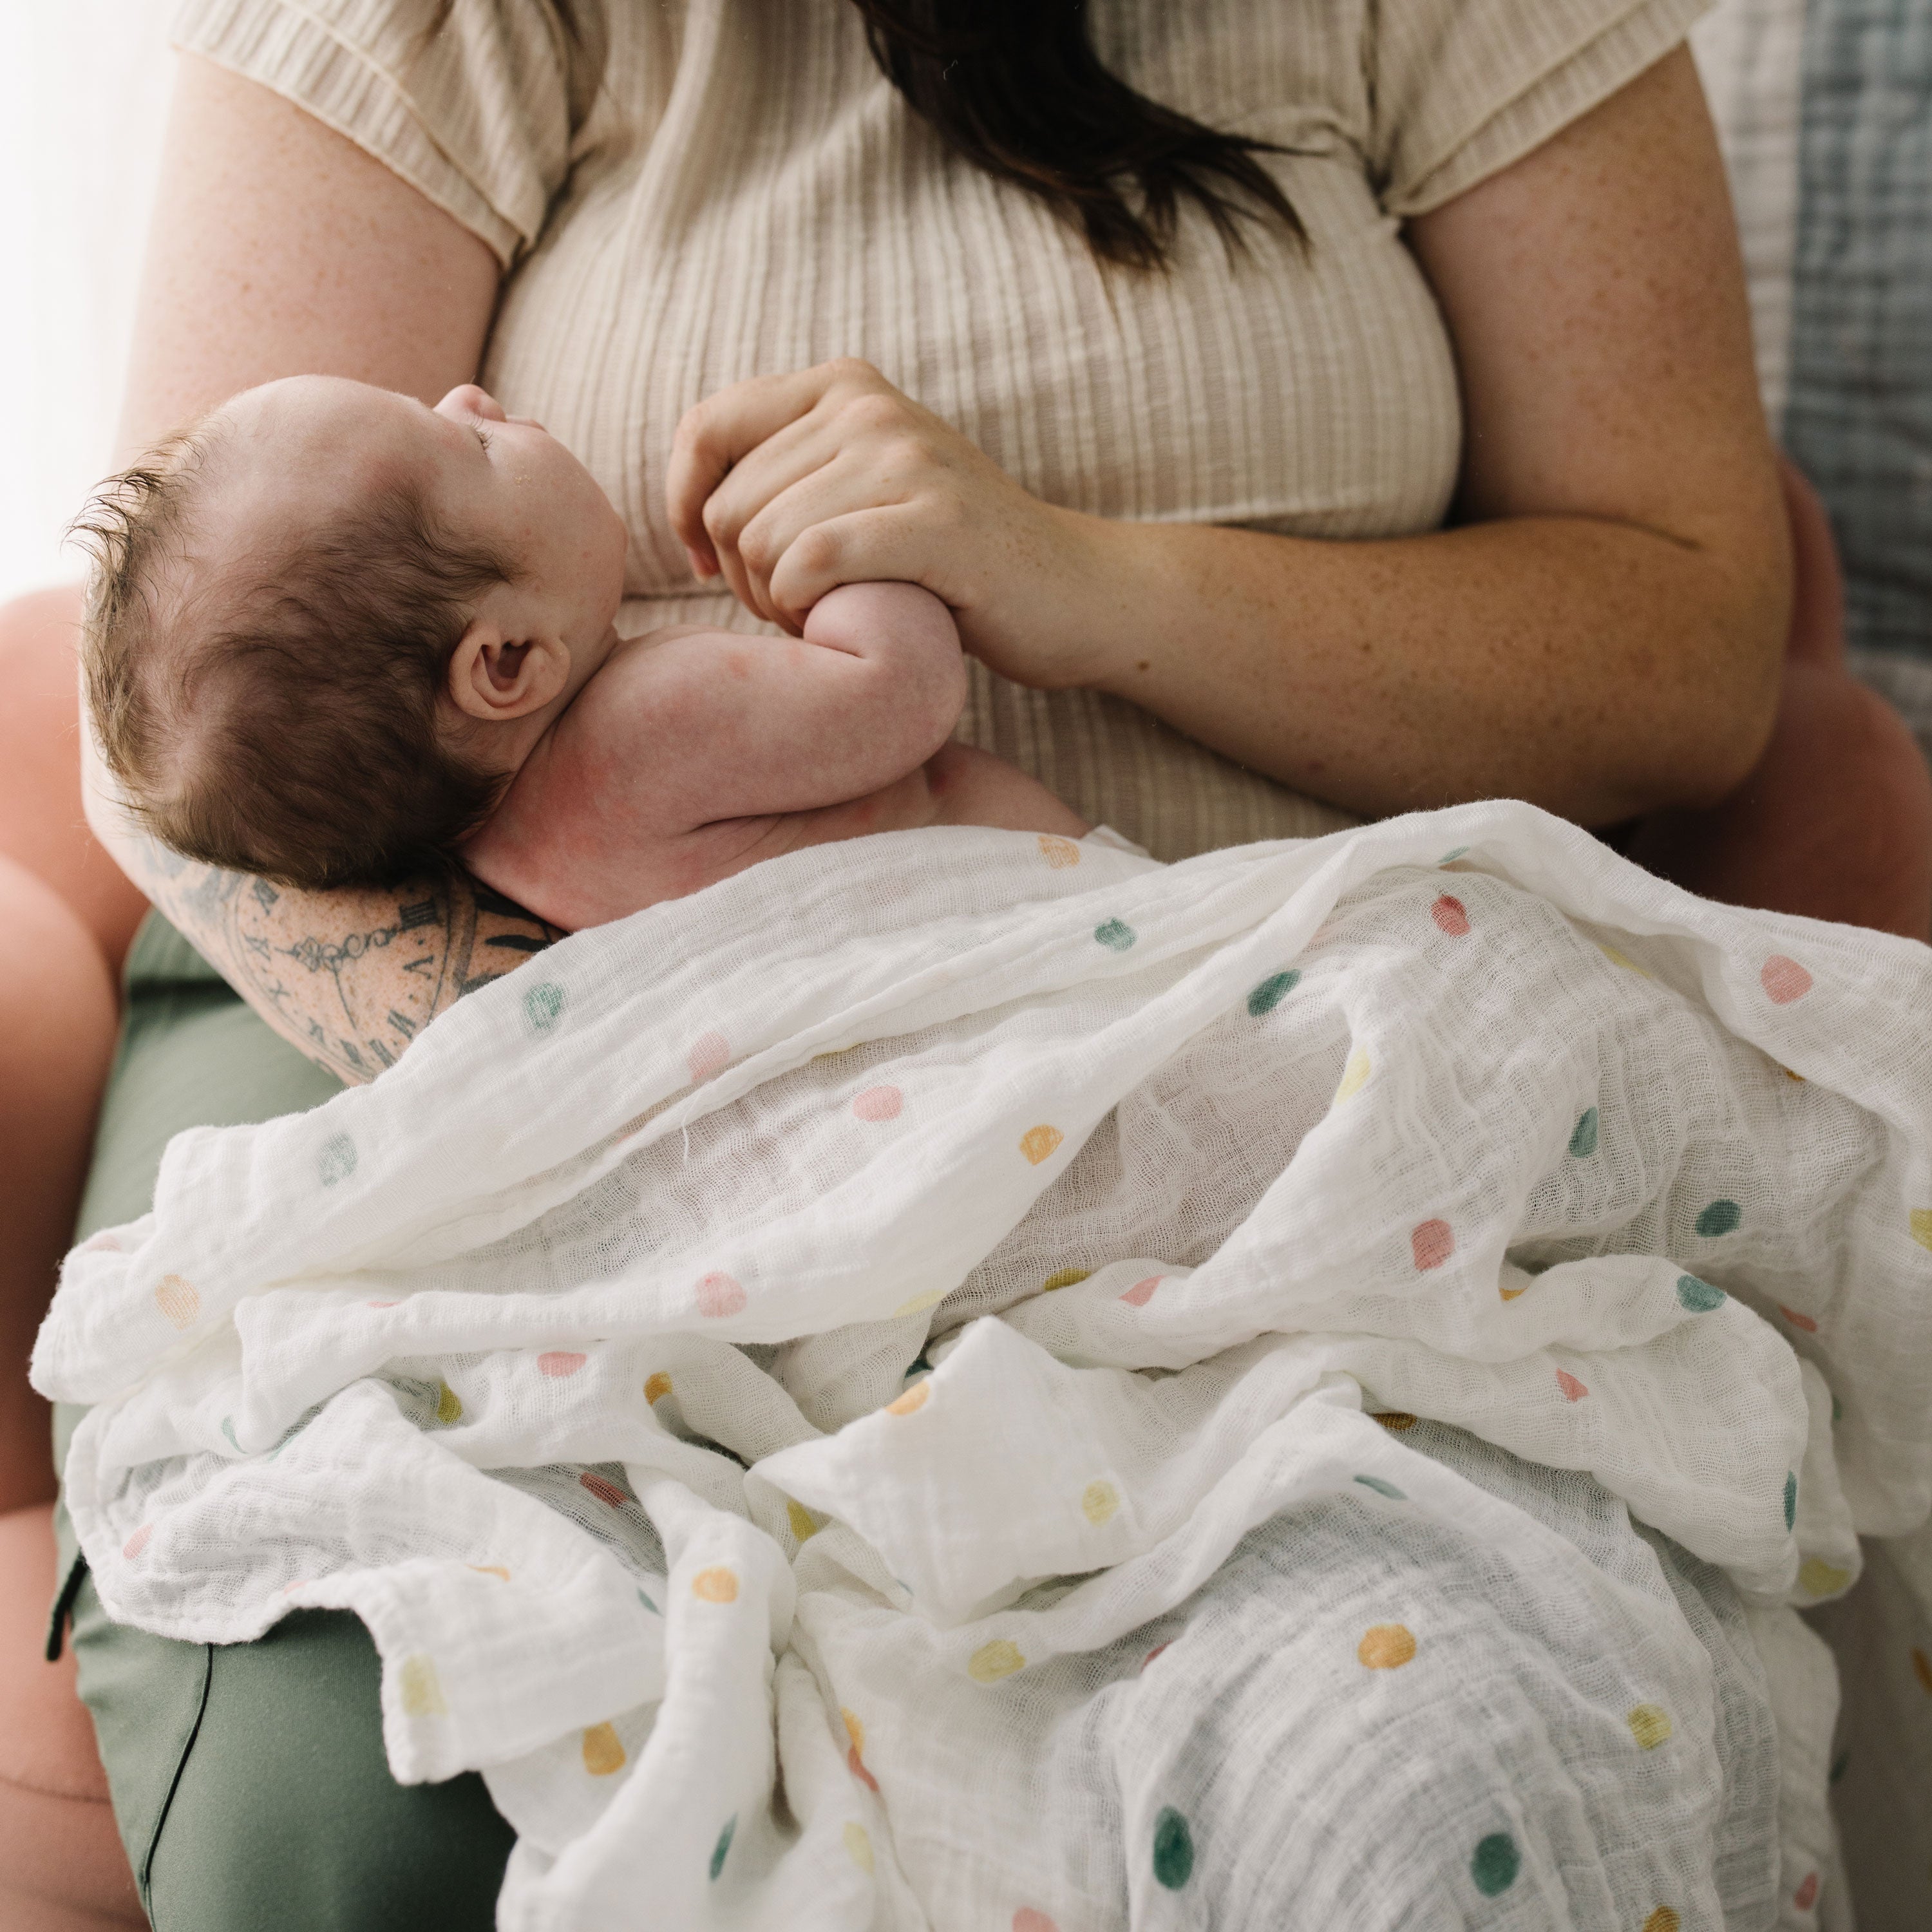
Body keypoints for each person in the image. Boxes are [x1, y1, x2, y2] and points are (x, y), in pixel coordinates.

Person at [2, 1, 1927, 1924]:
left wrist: (1071, 573)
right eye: (460, 443)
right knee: (378, 1808)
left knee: (1435, 1753)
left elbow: (1687, 646)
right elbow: (182, 717)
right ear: (498, 668)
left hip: (1204, 999)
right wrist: (731, 1124)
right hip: (607, 1086)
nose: (490, 421)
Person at [77, 374, 1084, 927]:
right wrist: (845, 540)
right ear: (506, 662)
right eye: (466, 447)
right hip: (1053, 929)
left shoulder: (499, 844)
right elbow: (905, 696)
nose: (470, 395)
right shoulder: (654, 718)